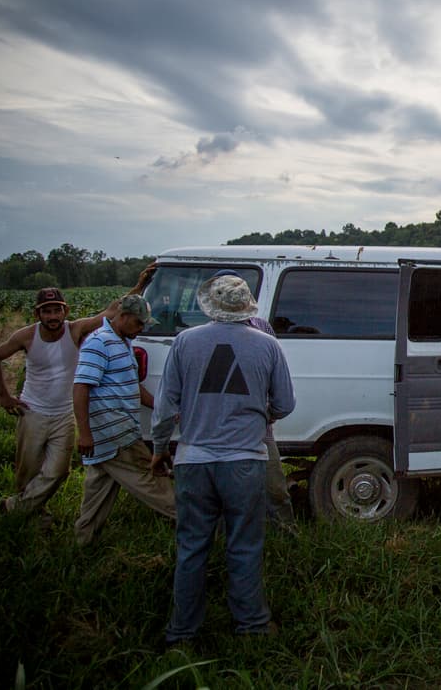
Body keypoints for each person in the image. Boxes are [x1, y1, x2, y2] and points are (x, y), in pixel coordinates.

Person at [150, 274, 296, 643]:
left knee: (191, 548)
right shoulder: (267, 345)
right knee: (245, 546)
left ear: (209, 305)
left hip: (193, 460)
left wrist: (158, 450)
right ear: (247, 306)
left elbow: (166, 407)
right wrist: (263, 414)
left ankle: (182, 633)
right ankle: (252, 627)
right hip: (245, 460)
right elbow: (285, 403)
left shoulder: (184, 342)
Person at [0, 269, 155, 522]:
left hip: (64, 413)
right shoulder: (26, 336)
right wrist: (3, 396)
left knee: (58, 471)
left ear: (65, 311)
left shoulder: (74, 331)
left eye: (57, 310)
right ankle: (30, 512)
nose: (52, 316)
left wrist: (140, 285)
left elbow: (114, 311)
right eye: (46, 311)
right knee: (28, 469)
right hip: (32, 411)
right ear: (38, 313)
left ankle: (16, 508)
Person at [71, 293, 176, 546]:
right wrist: (84, 433)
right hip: (114, 433)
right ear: (123, 316)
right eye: (138, 324)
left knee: (99, 489)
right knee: (153, 480)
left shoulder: (121, 342)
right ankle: (197, 521)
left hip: (110, 436)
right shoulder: (99, 342)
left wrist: (163, 408)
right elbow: (81, 387)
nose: (140, 330)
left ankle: (84, 541)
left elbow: (132, 387)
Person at [209, 269, 296, 530]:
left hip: (259, 429)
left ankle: (287, 533)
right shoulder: (203, 336)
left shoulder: (263, 330)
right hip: (219, 430)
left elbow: (273, 374)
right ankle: (229, 537)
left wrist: (267, 414)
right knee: (224, 493)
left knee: (275, 488)